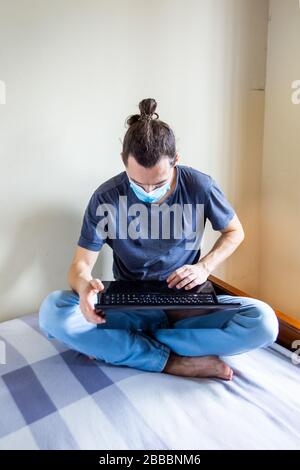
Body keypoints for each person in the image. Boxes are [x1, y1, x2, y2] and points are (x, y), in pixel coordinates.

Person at [39, 98, 279, 381]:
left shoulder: (199, 186)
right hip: (131, 306)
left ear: (176, 160)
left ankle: (125, 346)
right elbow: (79, 267)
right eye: (139, 184)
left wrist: (204, 267)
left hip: (187, 308)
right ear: (123, 161)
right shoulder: (106, 197)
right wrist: (84, 288)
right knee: (52, 311)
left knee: (264, 322)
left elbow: (234, 232)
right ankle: (173, 361)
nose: (149, 190)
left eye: (159, 182)